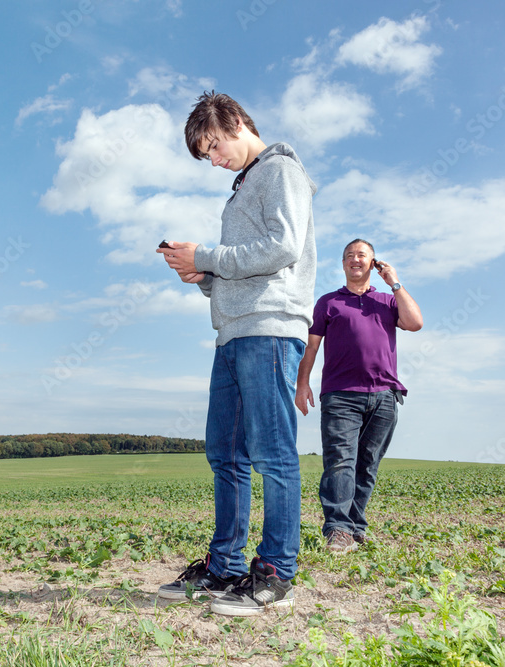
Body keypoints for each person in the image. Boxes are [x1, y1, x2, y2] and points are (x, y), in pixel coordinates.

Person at [155, 91, 317, 616]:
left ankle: (275, 573)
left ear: (239, 123)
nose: (214, 160)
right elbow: (241, 269)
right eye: (206, 156)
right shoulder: (243, 188)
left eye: (215, 147)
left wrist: (206, 255)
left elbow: (283, 247)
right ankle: (225, 564)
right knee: (225, 454)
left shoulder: (280, 170)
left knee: (271, 453)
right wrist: (204, 276)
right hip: (232, 332)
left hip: (269, 329)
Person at [295, 239, 422, 553]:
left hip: (385, 395)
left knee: (367, 464)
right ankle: (338, 529)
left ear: (373, 263)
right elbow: (311, 346)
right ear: (342, 264)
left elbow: (415, 322)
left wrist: (394, 282)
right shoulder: (328, 303)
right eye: (349, 256)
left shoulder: (387, 300)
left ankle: (354, 527)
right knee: (340, 462)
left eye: (362, 255)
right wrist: (302, 383)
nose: (355, 259)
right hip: (341, 396)